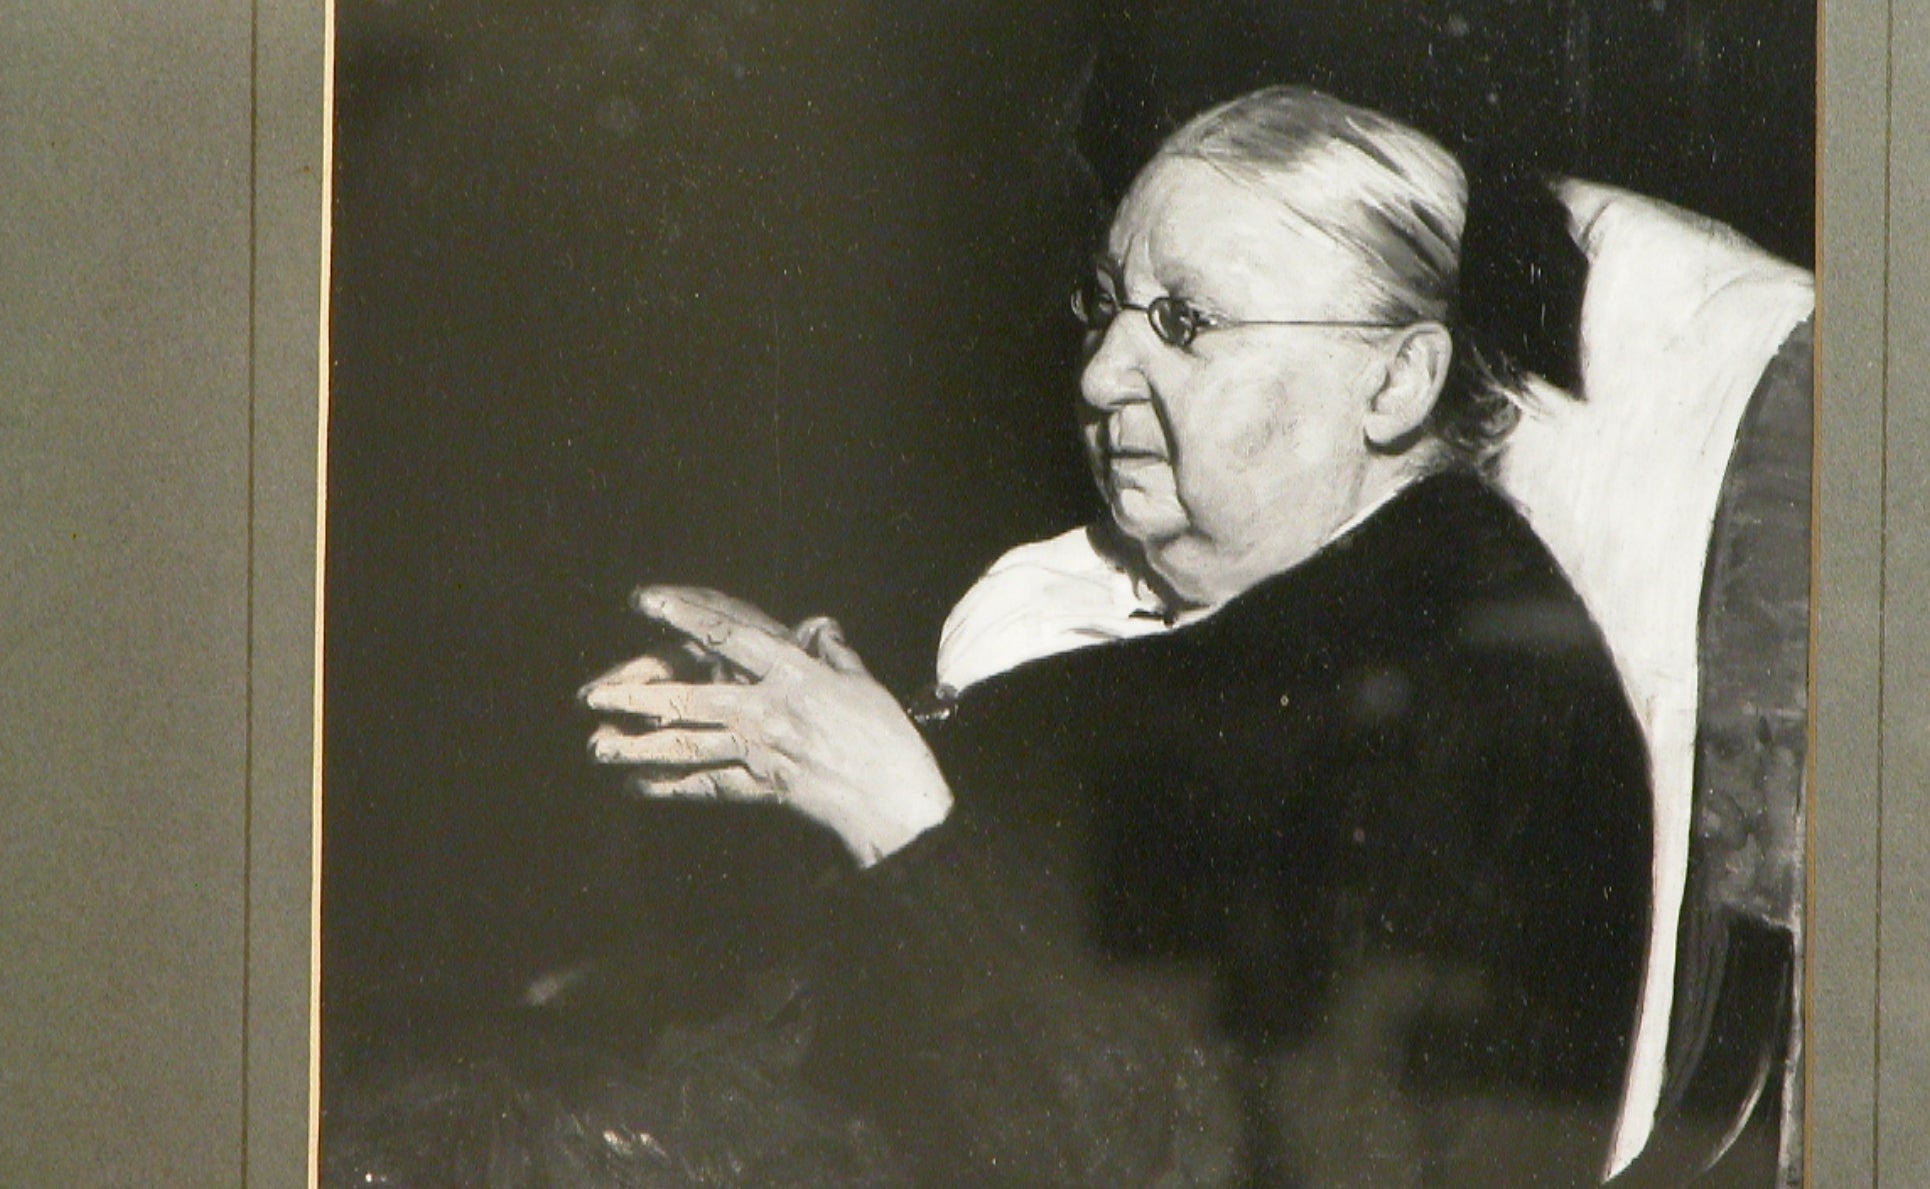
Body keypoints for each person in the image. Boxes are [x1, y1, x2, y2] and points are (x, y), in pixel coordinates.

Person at [581, 85, 1654, 1188]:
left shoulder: (1474, 702)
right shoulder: (1153, 601)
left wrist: (894, 811)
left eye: (1187, 321)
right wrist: (847, 735)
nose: (1099, 374)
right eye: (1107, 306)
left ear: (1395, 380)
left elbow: (1182, 1154)